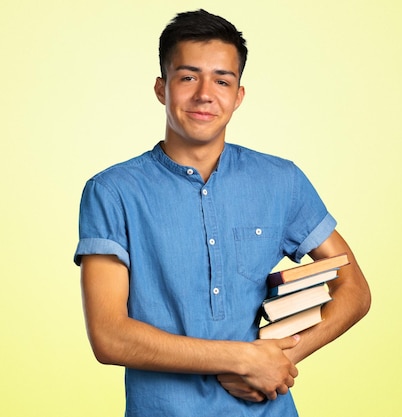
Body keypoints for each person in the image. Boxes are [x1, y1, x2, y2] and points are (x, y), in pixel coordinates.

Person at [74, 9, 371, 417]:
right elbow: (110, 336)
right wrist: (240, 358)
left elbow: (353, 288)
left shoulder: (281, 180)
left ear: (238, 95)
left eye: (222, 80)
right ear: (162, 88)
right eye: (188, 77)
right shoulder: (112, 192)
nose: (204, 94)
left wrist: (280, 357)